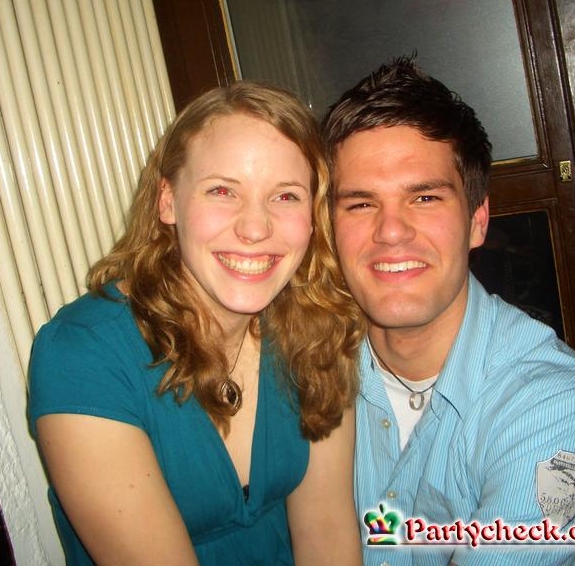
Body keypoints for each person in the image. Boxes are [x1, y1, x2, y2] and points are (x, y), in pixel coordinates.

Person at [28, 81, 364, 565]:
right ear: (167, 200)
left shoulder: (317, 327)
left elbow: (326, 529)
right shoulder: (82, 355)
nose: (255, 228)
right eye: (222, 191)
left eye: (286, 196)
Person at [322, 56, 575, 565]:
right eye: (361, 203)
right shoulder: (306, 370)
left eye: (424, 198)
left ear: (477, 221)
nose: (390, 232)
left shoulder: (559, 408)